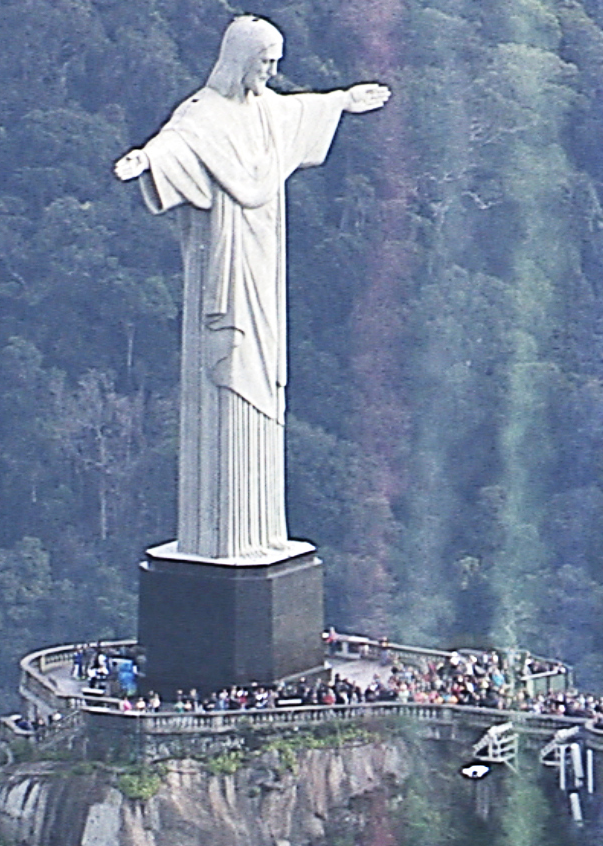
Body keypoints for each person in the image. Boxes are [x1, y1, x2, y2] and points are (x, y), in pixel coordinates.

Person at [115, 18, 388, 558]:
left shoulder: (267, 110)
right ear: (239, 59)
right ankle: (219, 541)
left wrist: (342, 102)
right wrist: (146, 161)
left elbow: (301, 111)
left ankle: (260, 534)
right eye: (264, 62)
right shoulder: (202, 116)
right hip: (224, 261)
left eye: (274, 62)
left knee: (263, 378)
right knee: (226, 375)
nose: (271, 72)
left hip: (265, 259)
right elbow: (176, 146)